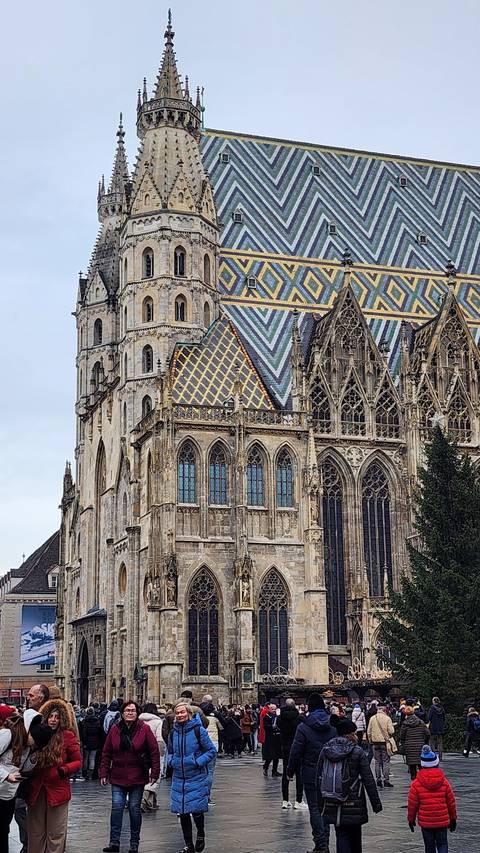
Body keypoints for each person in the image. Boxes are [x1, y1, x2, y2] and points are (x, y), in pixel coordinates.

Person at [100, 701, 160, 853]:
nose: (130, 713)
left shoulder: (144, 729)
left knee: (134, 809)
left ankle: (134, 843)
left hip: (137, 775)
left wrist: (155, 773)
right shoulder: (115, 729)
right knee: (117, 808)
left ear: (137, 713)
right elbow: (107, 752)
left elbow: (154, 752)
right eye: (127, 710)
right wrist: (104, 772)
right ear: (122, 712)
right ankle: (114, 842)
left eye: (133, 710)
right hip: (118, 775)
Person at [318, 719, 382, 853]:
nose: (356, 736)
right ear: (348, 735)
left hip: (332, 799)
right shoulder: (357, 752)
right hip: (354, 801)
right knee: (355, 835)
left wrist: (320, 802)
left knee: (341, 833)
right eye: (354, 733)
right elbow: (368, 779)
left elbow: (319, 777)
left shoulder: (326, 750)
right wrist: (376, 803)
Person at [26, 700, 81, 853]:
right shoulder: (36, 735)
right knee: (36, 832)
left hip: (58, 789)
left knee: (56, 832)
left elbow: (77, 761)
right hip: (36, 789)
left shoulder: (68, 736)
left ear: (62, 719)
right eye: (50, 716)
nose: (53, 720)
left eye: (57, 717)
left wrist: (63, 770)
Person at [287, 693, 336, 853]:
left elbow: (296, 751)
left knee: (315, 808)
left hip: (311, 772)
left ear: (309, 707)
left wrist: (290, 771)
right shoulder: (333, 725)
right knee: (326, 809)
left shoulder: (304, 727)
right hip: (330, 772)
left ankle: (321, 845)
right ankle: (325, 843)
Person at [167, 700, 216, 853]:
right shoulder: (173, 732)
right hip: (179, 776)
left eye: (183, 712)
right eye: (177, 712)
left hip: (195, 774)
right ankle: (188, 845)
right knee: (182, 811)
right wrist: (171, 761)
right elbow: (169, 751)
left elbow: (211, 751)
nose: (180, 715)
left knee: (196, 810)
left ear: (189, 714)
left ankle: (200, 833)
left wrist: (197, 762)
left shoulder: (198, 730)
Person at [15, 684, 51, 853]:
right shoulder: (26, 715)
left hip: (42, 772)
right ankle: (28, 842)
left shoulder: (49, 715)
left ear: (41, 697)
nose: (27, 698)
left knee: (35, 811)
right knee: (19, 807)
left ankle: (36, 843)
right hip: (24, 771)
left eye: (31, 695)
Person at [407, 745, 457, 853]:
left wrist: (411, 819)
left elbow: (412, 805)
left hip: (426, 823)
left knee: (429, 847)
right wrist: (453, 818)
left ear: (422, 765)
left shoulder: (416, 784)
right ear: (436, 763)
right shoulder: (444, 782)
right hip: (442, 821)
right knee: (443, 844)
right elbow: (451, 802)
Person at [277, 698, 306, 810]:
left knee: (286, 773)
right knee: (299, 774)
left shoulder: (280, 718)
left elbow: (278, 726)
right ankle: (298, 800)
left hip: (285, 747)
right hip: (297, 747)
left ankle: (285, 800)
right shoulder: (299, 718)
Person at [139, 703, 165, 812]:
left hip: (139, 752)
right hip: (153, 752)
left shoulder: (139, 721)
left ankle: (151, 801)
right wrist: (161, 754)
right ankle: (144, 799)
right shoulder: (158, 722)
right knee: (154, 776)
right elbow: (159, 739)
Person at [366, 704, 395, 788]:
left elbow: (368, 731)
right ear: (385, 710)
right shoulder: (387, 718)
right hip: (384, 742)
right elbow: (391, 731)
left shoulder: (372, 718)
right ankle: (386, 780)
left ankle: (378, 779)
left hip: (375, 743)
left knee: (377, 761)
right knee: (386, 761)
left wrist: (371, 740)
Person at [400, 707, 430, 780]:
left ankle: (414, 784)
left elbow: (402, 736)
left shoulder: (405, 724)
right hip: (420, 746)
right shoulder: (421, 722)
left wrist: (404, 743)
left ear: (406, 714)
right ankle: (423, 782)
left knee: (412, 767)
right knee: (421, 766)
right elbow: (428, 734)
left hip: (409, 747)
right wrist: (425, 742)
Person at [80, 706, 102, 780]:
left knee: (85, 758)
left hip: (86, 742)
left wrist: (84, 742)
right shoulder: (97, 721)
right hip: (95, 742)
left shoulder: (84, 721)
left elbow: (83, 733)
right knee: (92, 758)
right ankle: (91, 773)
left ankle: (85, 773)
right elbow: (99, 733)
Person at [262, 703, 282, 776]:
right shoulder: (267, 716)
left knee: (276, 756)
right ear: (269, 709)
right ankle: (266, 767)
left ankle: (274, 771)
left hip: (276, 737)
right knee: (270, 756)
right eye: (272, 709)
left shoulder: (277, 716)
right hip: (270, 738)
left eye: (275, 709)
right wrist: (271, 726)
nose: (274, 710)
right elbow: (265, 726)